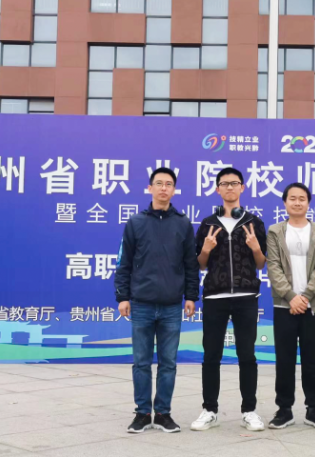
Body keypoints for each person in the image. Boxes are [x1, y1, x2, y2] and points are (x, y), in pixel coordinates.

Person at [114, 167, 199, 434]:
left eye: (169, 184)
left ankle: (163, 413)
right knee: (141, 362)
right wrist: (123, 296)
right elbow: (124, 263)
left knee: (168, 363)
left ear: (174, 190)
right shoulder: (136, 222)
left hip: (172, 305)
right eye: (159, 183)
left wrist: (191, 296)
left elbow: (191, 264)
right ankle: (142, 413)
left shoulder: (183, 223)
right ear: (150, 188)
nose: (164, 188)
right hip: (141, 304)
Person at [191, 167, 268, 432]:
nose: (230, 187)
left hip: (246, 297)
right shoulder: (207, 224)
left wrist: (255, 248)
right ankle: (209, 410)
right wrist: (205, 249)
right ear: (217, 189)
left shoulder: (254, 222)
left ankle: (249, 411)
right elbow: (200, 264)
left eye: (234, 183)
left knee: (247, 355)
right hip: (215, 297)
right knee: (211, 355)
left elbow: (261, 263)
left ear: (242, 187)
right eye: (224, 184)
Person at [266, 183, 315, 430]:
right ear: (285, 203)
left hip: (311, 306)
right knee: (284, 359)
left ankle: (313, 409)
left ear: (308, 203)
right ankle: (284, 409)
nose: (297, 202)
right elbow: (273, 267)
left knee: (311, 359)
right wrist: (291, 297)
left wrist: (304, 297)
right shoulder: (275, 231)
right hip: (284, 305)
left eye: (302, 198)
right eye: (292, 198)